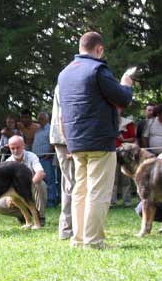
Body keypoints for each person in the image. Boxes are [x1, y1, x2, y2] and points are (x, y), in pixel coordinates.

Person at [58, 31, 133, 248]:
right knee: (98, 191)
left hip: (75, 141)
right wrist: (126, 83)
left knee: (80, 190)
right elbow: (122, 98)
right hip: (99, 140)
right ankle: (93, 240)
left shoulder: (64, 73)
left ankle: (78, 238)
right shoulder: (97, 69)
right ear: (99, 49)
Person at [0, 136, 47, 225]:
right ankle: (24, 216)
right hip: (15, 192)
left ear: (23, 146)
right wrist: (9, 197)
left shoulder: (31, 156)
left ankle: (40, 217)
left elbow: (40, 173)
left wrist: (26, 189)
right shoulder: (7, 162)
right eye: (12, 148)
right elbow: (3, 185)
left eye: (18, 147)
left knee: (40, 184)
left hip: (31, 188)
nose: (15, 151)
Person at [50, 86, 74, 240]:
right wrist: (69, 142)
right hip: (66, 139)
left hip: (65, 137)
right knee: (72, 184)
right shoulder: (67, 82)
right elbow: (62, 116)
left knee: (68, 183)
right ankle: (68, 229)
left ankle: (67, 229)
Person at [111, 107, 136, 207]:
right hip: (112, 153)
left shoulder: (128, 123)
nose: (117, 111)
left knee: (126, 178)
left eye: (118, 109)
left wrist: (123, 139)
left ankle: (127, 201)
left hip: (125, 153)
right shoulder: (107, 122)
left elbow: (133, 138)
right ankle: (112, 202)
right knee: (113, 179)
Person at [32, 112, 57, 207]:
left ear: (47, 119)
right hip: (37, 159)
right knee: (39, 180)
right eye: (39, 118)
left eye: (41, 118)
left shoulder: (50, 129)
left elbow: (52, 142)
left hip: (46, 158)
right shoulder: (38, 130)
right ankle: (41, 201)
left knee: (49, 180)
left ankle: (51, 202)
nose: (39, 120)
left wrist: (48, 155)